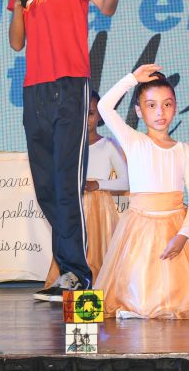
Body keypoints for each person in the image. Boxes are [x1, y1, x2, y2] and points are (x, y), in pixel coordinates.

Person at [7, 0, 128, 300]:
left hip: (70, 87)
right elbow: (16, 42)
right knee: (45, 186)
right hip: (35, 90)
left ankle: (77, 273)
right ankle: (68, 272)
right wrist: (19, 0)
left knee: (65, 183)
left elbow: (105, 6)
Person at [95, 64, 189, 319]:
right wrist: (132, 79)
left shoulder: (184, 151)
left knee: (183, 301)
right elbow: (105, 106)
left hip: (175, 228)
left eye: (167, 104)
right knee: (138, 294)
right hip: (139, 228)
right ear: (139, 111)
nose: (160, 112)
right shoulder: (134, 141)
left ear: (175, 106)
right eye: (151, 105)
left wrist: (183, 235)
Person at [44, 91, 129, 289]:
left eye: (90, 113)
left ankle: (98, 284)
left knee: (97, 249)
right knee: (71, 245)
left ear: (99, 115)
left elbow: (126, 182)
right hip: (73, 205)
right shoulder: (67, 146)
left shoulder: (108, 145)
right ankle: (69, 279)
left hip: (100, 209)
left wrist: (97, 184)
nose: (85, 119)